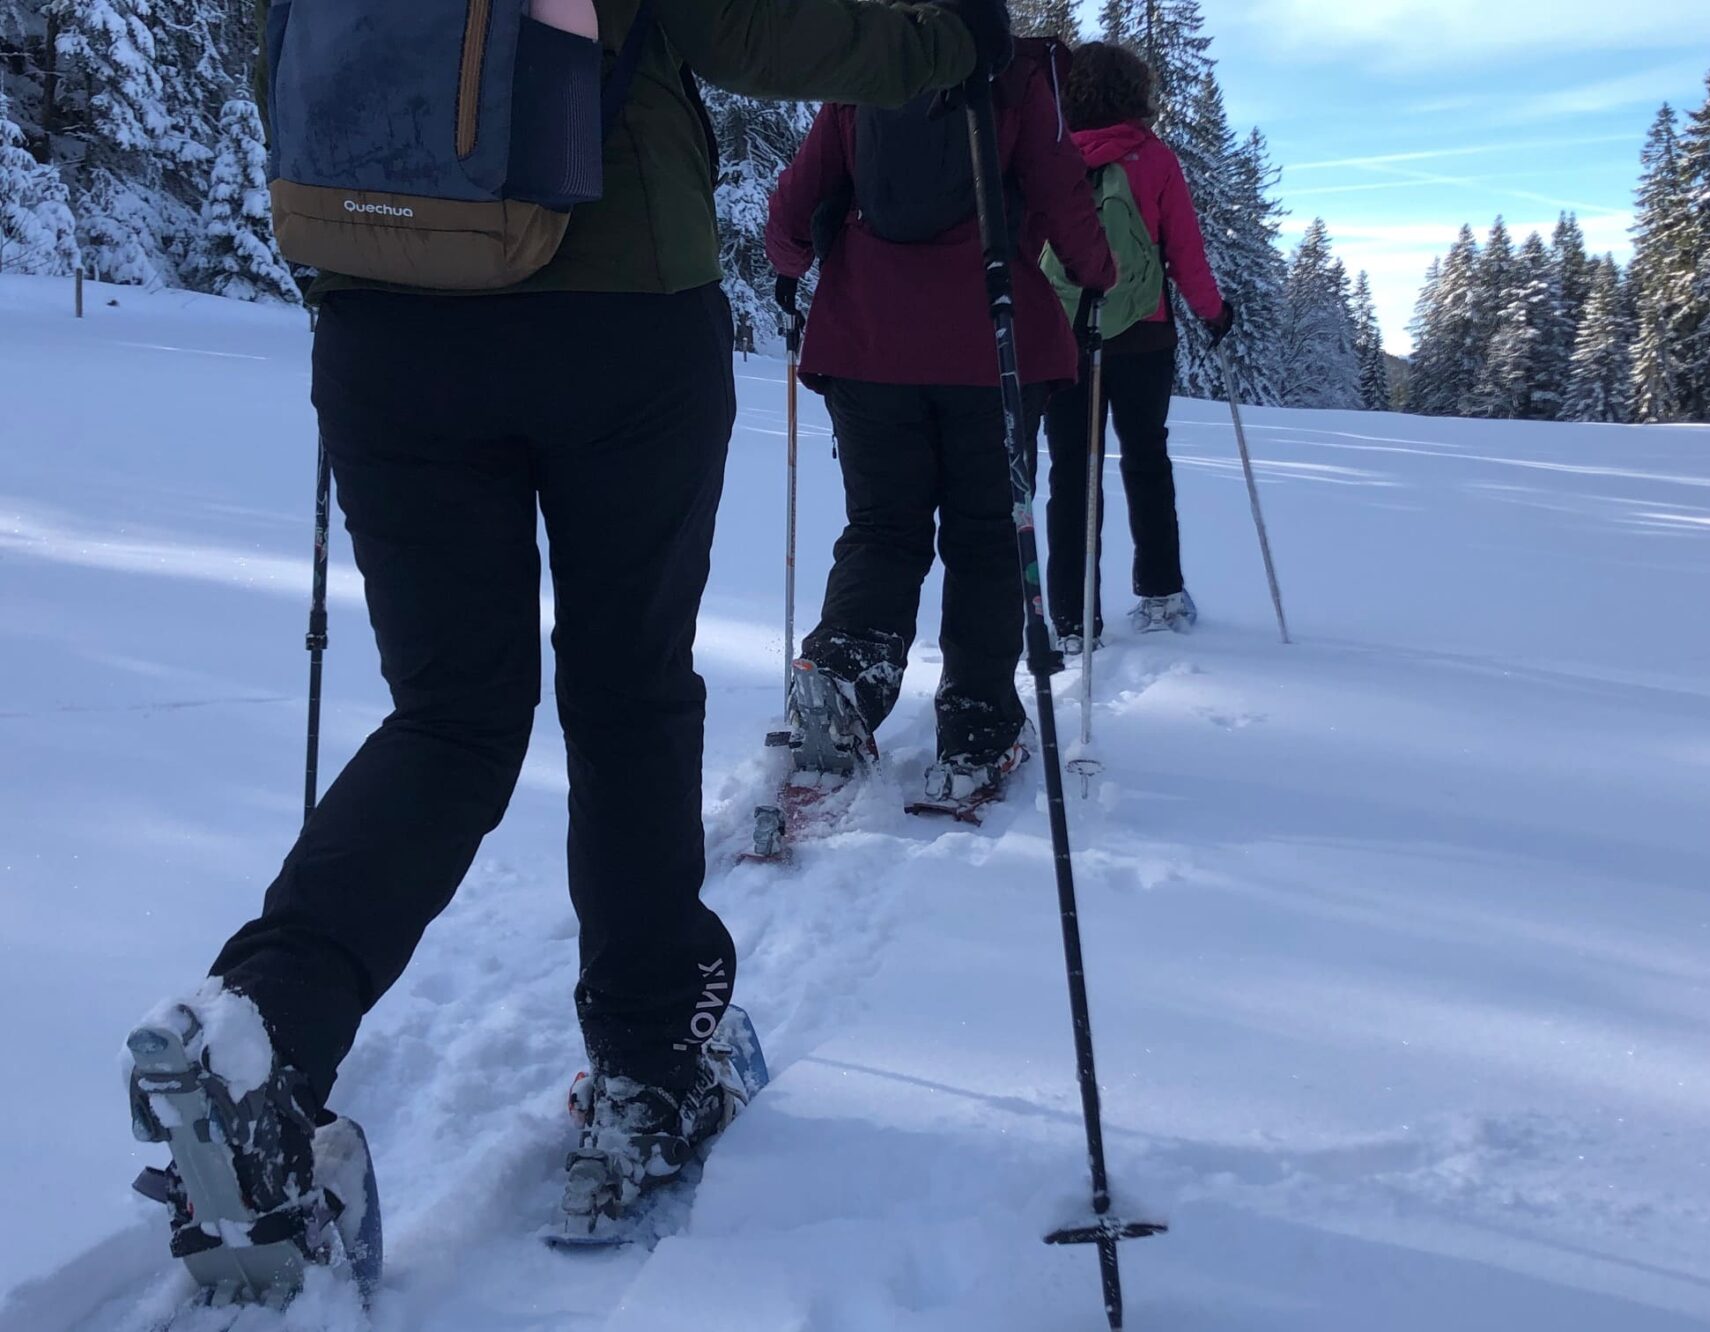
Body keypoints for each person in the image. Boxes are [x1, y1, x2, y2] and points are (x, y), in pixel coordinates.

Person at [126, 0, 1017, 1282]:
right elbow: (751, 29)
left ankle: (263, 1029)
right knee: (626, 695)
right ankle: (654, 1066)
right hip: (618, 315)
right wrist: (949, 41)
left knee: (449, 717)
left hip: (383, 323)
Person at [765, 38, 1114, 801]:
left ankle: (846, 683)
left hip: (867, 343)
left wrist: (790, 269)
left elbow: (795, 200)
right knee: (989, 536)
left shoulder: (862, 67)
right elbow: (1065, 201)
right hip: (992, 348)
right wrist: (1098, 277)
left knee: (883, 528)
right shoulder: (1016, 76)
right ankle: (978, 722)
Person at [1042, 41, 1234, 651]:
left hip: (1066, 332)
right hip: (1144, 335)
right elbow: (1184, 253)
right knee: (1146, 460)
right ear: (1135, 94)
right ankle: (1160, 595)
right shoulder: (1155, 159)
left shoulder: (1049, 154)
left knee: (1072, 471)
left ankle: (1073, 619)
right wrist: (1214, 313)